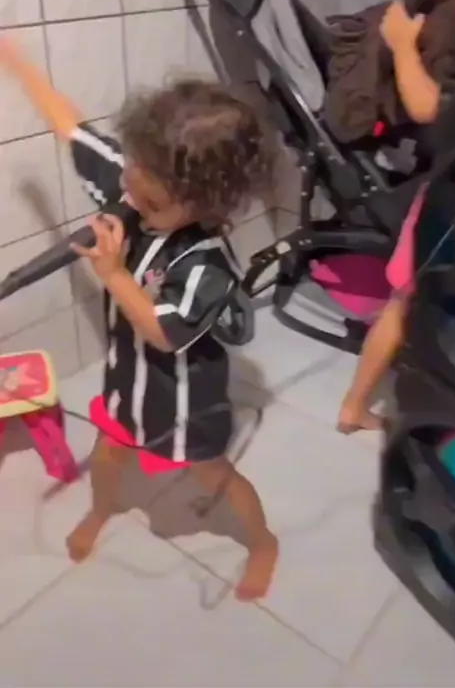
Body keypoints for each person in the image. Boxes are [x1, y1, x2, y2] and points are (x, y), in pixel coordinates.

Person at [0, 40, 279, 601]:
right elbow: (71, 126)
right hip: (128, 377)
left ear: (204, 205)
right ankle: (102, 509)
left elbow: (163, 332)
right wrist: (17, 62)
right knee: (109, 452)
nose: (129, 199)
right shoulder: (137, 180)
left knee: (212, 474)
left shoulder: (206, 263)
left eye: (150, 204)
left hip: (185, 399)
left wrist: (113, 275)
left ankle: (262, 542)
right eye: (129, 179)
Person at [337, 0, 441, 433]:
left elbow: (428, 107)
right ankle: (354, 407)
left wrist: (401, 44)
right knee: (405, 303)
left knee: (402, 303)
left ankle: (354, 406)